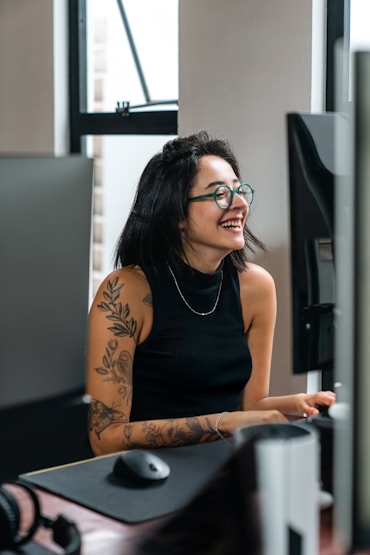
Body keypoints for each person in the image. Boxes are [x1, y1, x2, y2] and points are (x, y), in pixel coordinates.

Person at [86, 131, 335, 456]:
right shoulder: (125, 293)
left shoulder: (256, 287)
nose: (240, 204)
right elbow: (106, 437)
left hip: (224, 467)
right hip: (146, 475)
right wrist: (222, 423)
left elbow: (252, 403)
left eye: (239, 190)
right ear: (176, 215)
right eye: (220, 194)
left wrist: (296, 403)